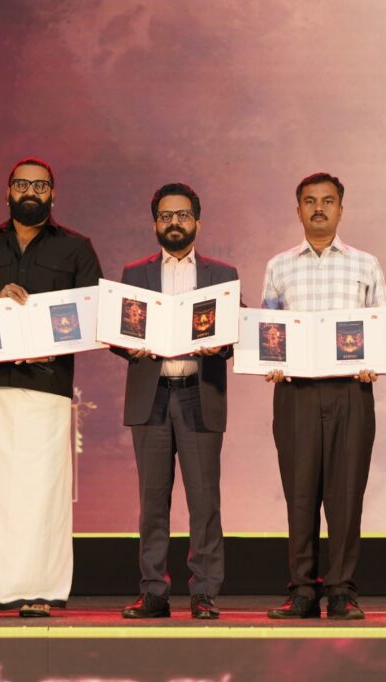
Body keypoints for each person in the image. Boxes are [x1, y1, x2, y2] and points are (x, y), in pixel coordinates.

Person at [0, 157, 102, 618]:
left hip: (50, 386)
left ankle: (40, 591)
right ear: (8, 191)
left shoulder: (76, 248)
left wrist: (51, 345)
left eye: (40, 185)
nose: (30, 191)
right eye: (22, 184)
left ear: (53, 194)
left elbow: (95, 312)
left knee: (42, 491)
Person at [261, 172, 386, 620]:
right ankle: (302, 589)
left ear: (341, 209)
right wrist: (269, 359)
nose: (319, 208)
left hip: (350, 390)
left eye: (328, 201)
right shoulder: (279, 266)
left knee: (346, 494)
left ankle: (341, 591)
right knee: (300, 493)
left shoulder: (365, 264)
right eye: (310, 201)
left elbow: (380, 327)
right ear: (298, 210)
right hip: (295, 391)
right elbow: (269, 330)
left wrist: (375, 359)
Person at [112, 183, 238, 620]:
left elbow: (235, 330)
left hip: (198, 393)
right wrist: (129, 346)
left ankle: (204, 592)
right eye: (165, 216)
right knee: (152, 501)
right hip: (153, 396)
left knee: (205, 502)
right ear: (155, 224)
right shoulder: (135, 273)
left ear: (197, 221)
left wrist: (221, 344)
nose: (174, 223)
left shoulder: (222, 275)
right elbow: (119, 330)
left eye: (183, 215)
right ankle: (153, 592)